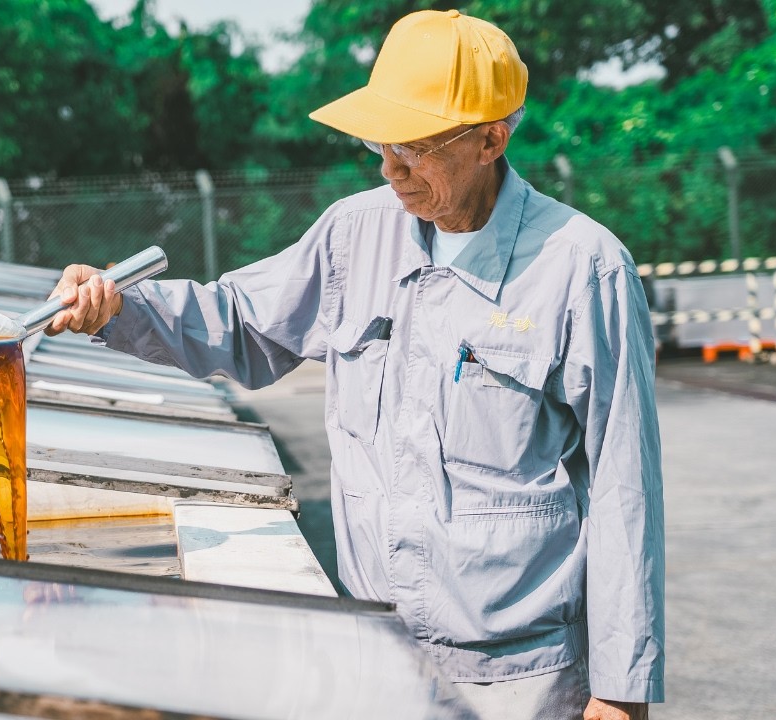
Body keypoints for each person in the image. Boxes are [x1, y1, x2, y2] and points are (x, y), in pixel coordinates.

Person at [46, 9, 664, 720]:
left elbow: (625, 489)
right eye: (379, 142)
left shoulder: (581, 269)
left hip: (521, 679)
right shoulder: (354, 236)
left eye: (414, 147)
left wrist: (619, 694)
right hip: (376, 666)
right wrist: (118, 308)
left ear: (492, 140)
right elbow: (239, 320)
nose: (388, 167)